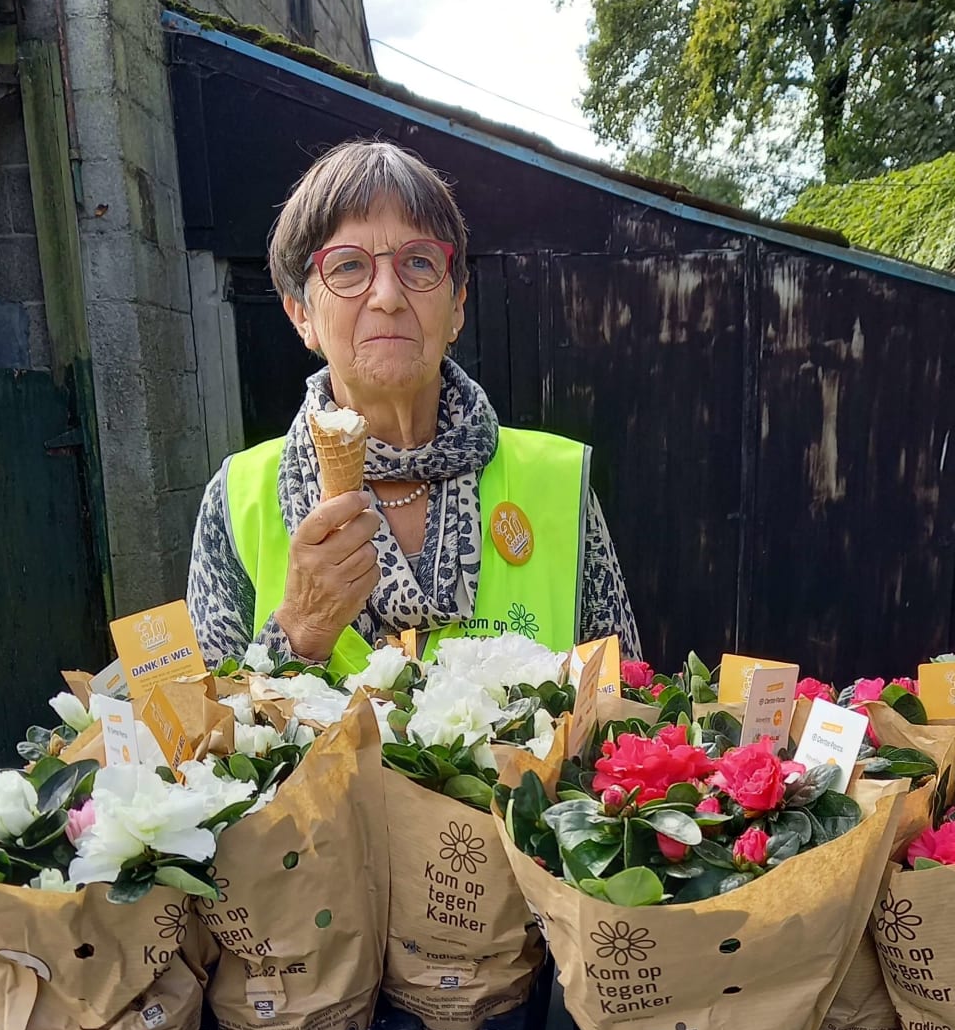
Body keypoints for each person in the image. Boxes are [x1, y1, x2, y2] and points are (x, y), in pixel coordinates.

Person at [187, 139, 639, 673]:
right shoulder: (237, 501)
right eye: (349, 266)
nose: (388, 295)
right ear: (300, 314)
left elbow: (628, 710)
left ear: (456, 306)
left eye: (419, 263)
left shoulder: (557, 483)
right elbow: (199, 738)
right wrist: (301, 630)